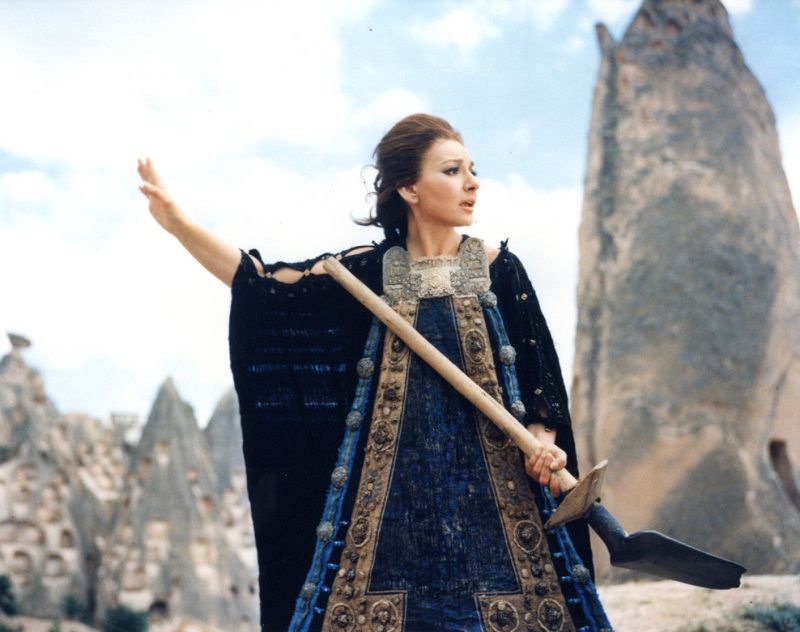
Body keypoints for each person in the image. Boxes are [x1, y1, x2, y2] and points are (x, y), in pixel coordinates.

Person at [139, 114, 612, 632]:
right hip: (391, 522)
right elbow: (259, 283)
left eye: (472, 170)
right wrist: (179, 224)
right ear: (408, 188)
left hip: (499, 514)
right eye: (452, 171)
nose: (473, 183)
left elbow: (541, 383)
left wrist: (544, 444)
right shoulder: (363, 273)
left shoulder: (502, 268)